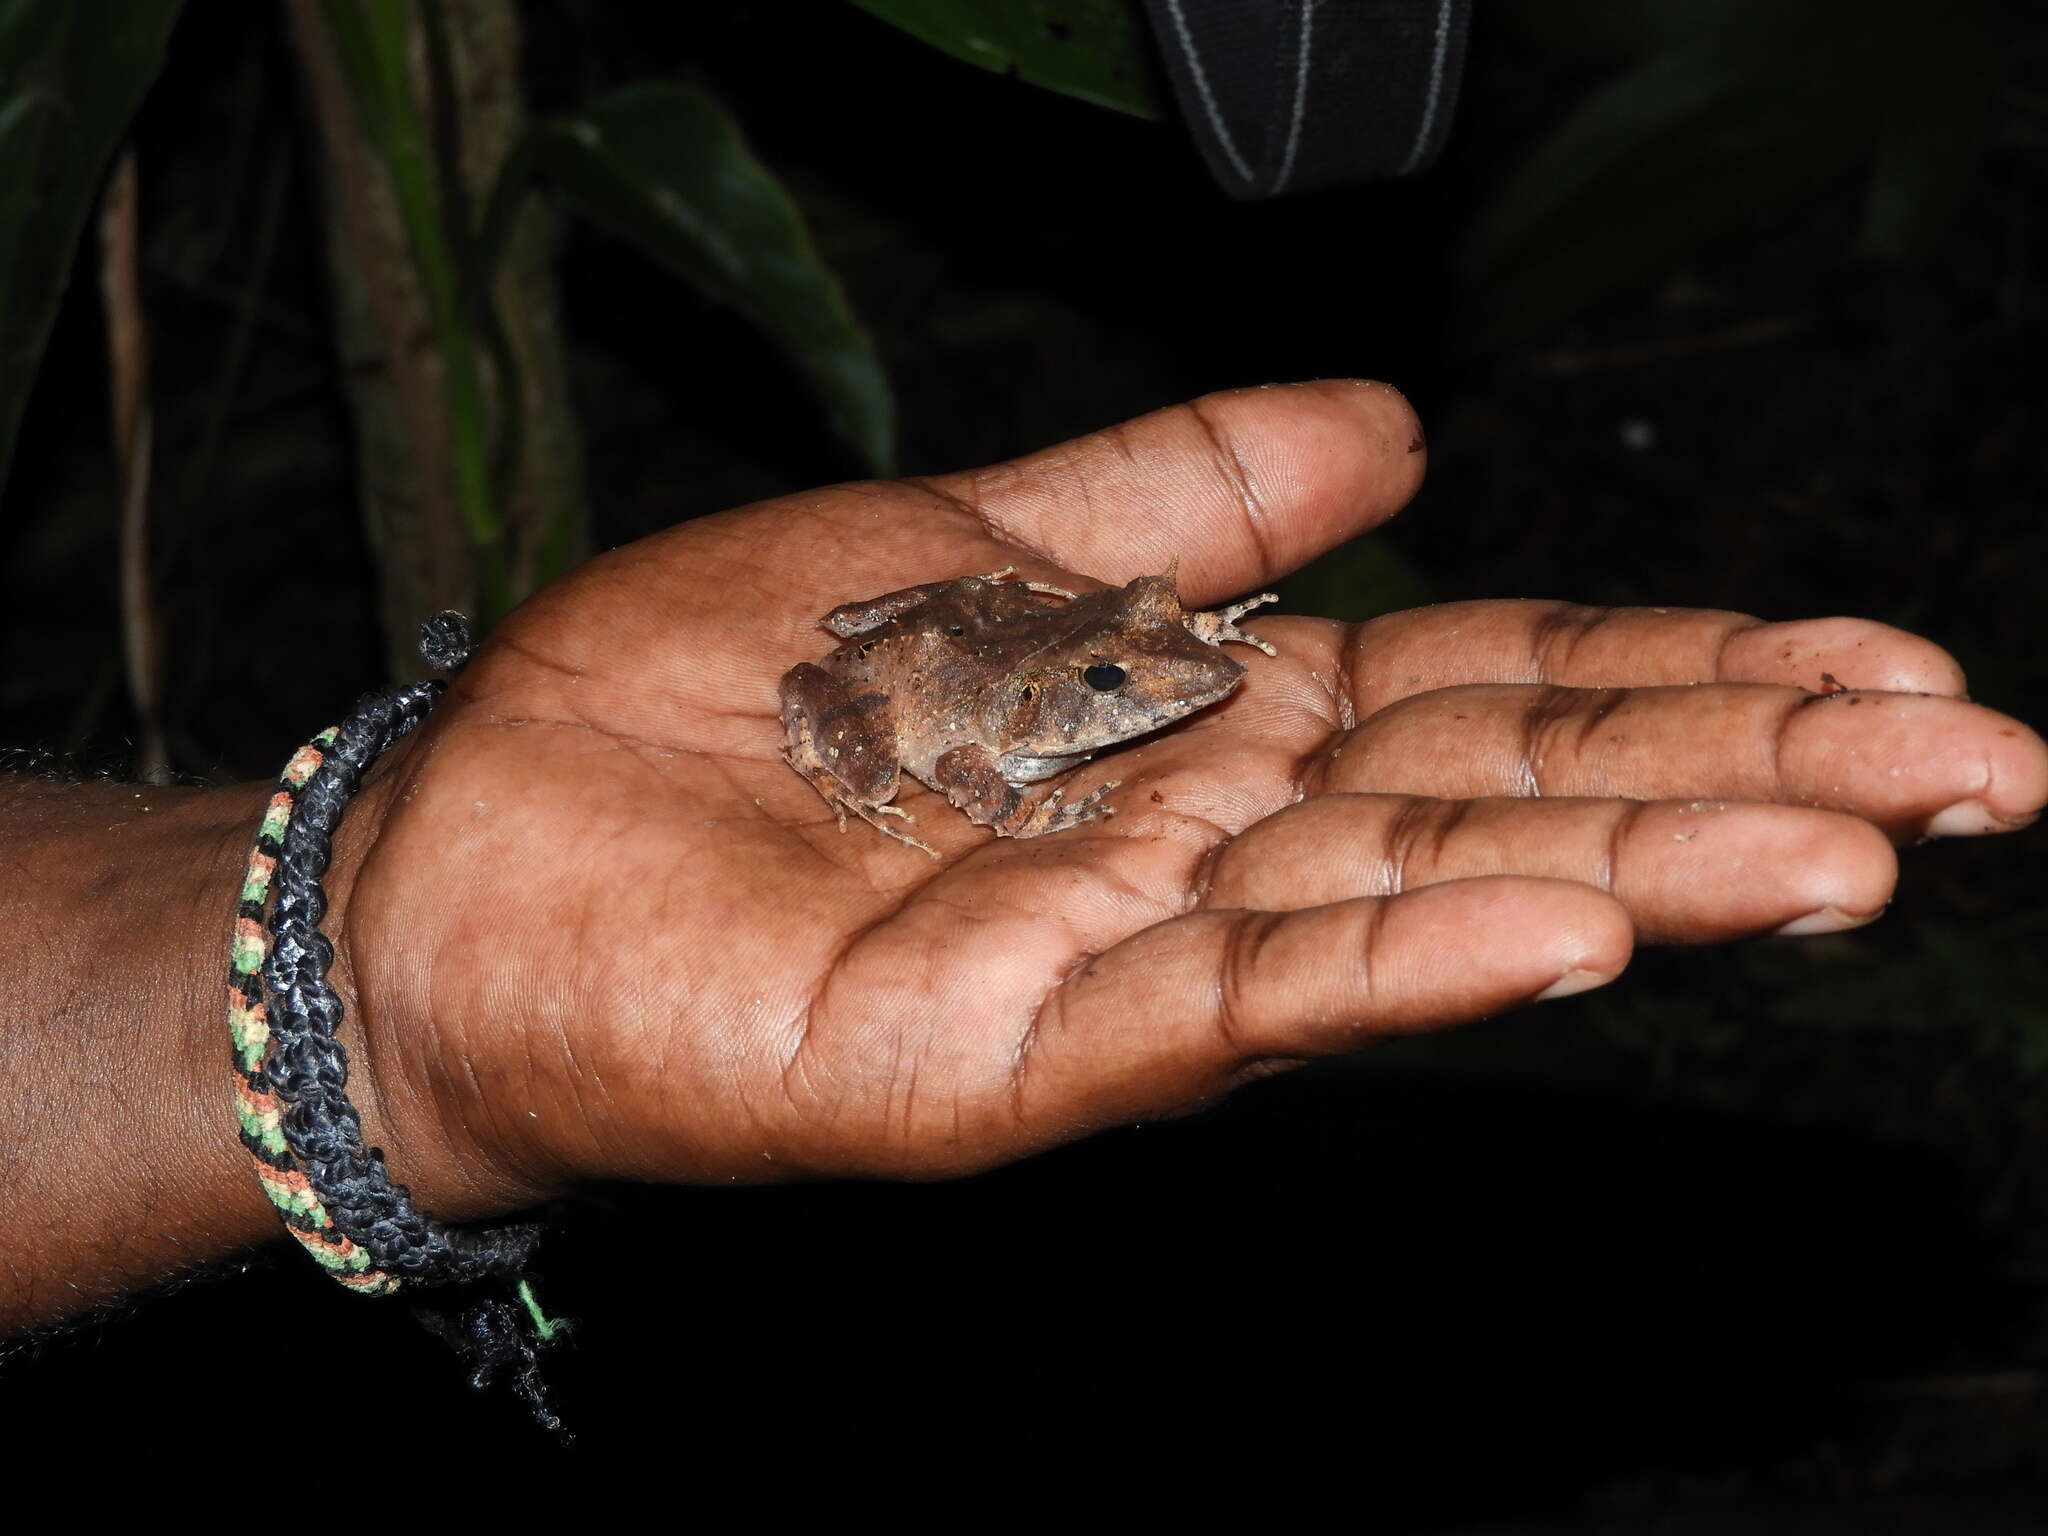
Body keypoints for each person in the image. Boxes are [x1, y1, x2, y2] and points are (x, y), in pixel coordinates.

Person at [4, 380, 2040, 1331]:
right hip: (933, 690)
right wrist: (1010, 781)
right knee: (878, 718)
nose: (1165, 707)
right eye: (1134, 694)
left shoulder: (1127, 658)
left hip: (992, 639)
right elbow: (954, 740)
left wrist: (335, 953)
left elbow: (1116, 646)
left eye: (1160, 684)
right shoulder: (1016, 725)